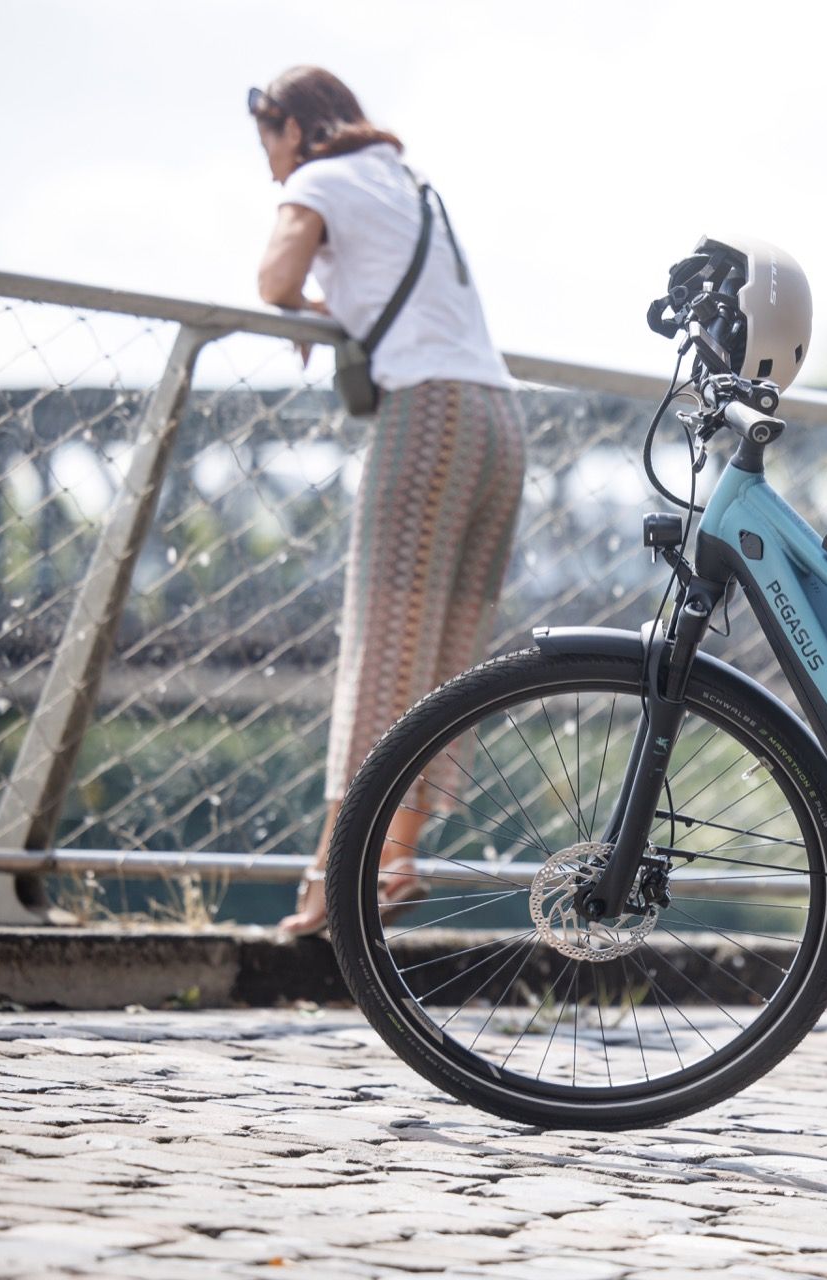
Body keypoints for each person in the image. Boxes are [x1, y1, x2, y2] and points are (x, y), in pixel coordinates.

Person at [248, 66, 526, 936]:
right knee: (447, 658)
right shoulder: (408, 183)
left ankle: (329, 884)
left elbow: (272, 280)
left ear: (293, 126)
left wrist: (308, 306)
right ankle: (394, 861)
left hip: (429, 415)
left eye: (267, 140)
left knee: (384, 649)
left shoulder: (318, 179)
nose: (268, 162)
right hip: (502, 421)